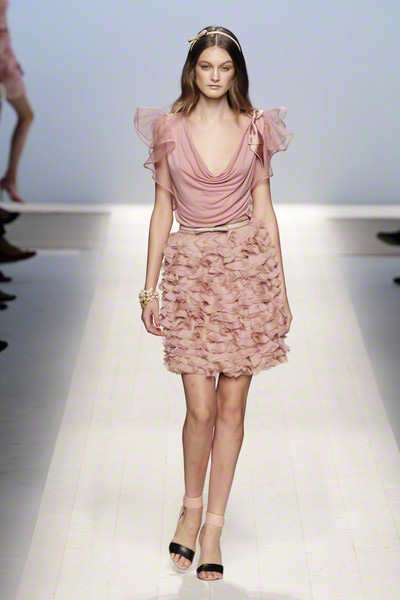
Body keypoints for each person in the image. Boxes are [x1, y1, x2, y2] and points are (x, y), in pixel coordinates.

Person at [134, 25, 293, 582]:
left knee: (232, 409)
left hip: (246, 271)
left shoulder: (255, 128)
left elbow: (264, 208)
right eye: (207, 67)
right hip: (191, 271)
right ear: (192, 70)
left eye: (225, 68)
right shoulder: (168, 128)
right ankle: (190, 507)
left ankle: (213, 527)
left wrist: (280, 288)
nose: (216, 76)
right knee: (199, 408)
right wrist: (149, 288)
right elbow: (162, 209)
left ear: (236, 72)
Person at [0, 0, 34, 203]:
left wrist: (11, 59)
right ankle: (10, 178)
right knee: (26, 115)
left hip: (5, 56)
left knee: (27, 115)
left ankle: (10, 178)